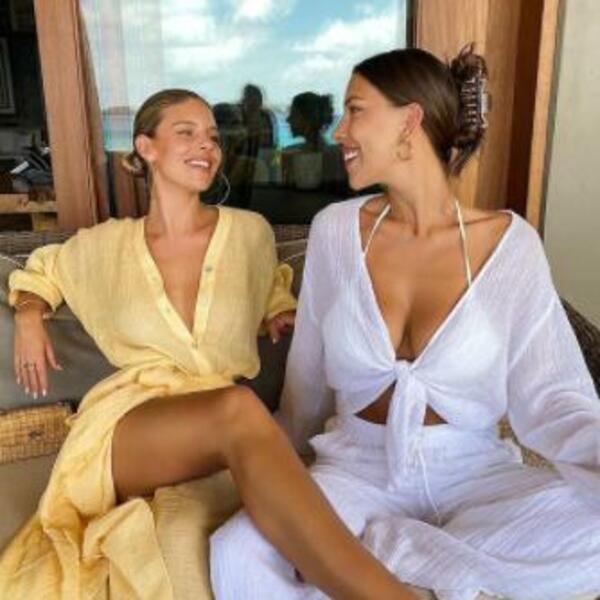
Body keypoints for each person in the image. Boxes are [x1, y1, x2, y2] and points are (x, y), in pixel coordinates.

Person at [210, 46, 600, 600]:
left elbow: (554, 397)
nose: (339, 131)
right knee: (238, 551)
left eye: (355, 110)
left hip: (473, 472)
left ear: (409, 120)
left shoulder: (511, 246)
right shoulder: (335, 231)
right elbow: (306, 385)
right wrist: (260, 466)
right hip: (357, 469)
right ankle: (430, 572)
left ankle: (392, 555)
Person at [0, 89, 415, 600]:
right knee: (239, 409)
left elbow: (270, 291)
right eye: (187, 133)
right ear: (147, 147)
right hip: (130, 426)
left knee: (189, 532)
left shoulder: (249, 234)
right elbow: (43, 271)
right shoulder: (105, 245)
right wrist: (28, 314)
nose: (207, 146)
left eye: (214, 137)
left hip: (219, 428)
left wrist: (281, 313)